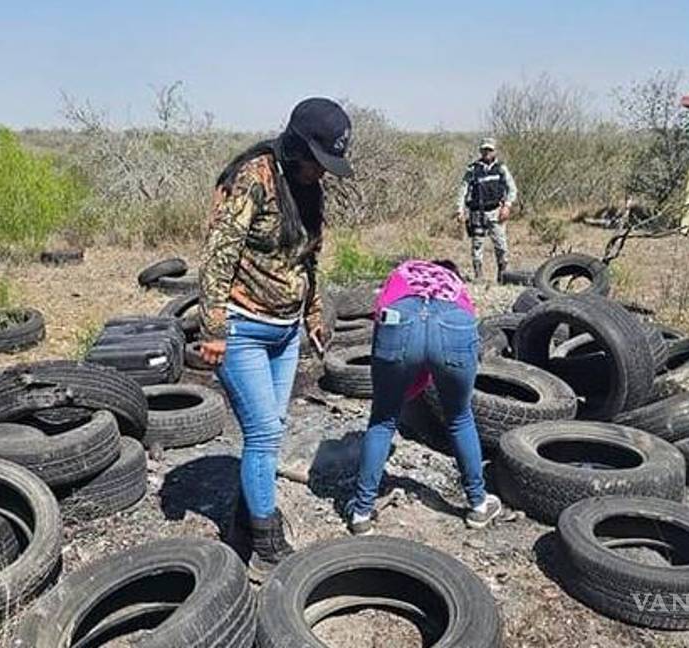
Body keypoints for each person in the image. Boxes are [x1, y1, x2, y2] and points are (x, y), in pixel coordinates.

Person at [197, 98, 353, 577]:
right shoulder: (254, 178)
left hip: (285, 332)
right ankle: (266, 544)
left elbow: (307, 261)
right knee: (263, 433)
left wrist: (313, 314)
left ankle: (243, 525)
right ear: (295, 146)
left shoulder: (309, 190)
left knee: (273, 427)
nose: (320, 173)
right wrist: (214, 328)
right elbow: (218, 254)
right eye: (316, 162)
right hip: (242, 326)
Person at [345, 258, 503, 535]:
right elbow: (460, 337)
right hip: (454, 323)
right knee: (459, 417)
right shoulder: (455, 284)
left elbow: (380, 317)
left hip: (399, 320)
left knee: (383, 420)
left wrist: (401, 388)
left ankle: (361, 512)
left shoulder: (403, 272)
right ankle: (478, 504)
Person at [456, 137, 518, 281]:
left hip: (495, 212)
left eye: (489, 150)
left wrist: (507, 206)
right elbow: (463, 190)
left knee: (501, 245)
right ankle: (479, 276)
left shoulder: (501, 168)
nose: (487, 153)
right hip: (476, 212)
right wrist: (460, 209)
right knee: (477, 244)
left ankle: (502, 276)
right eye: (484, 150)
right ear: (480, 150)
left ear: (494, 151)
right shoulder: (472, 169)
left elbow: (512, 189)